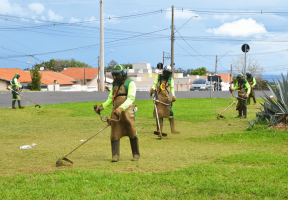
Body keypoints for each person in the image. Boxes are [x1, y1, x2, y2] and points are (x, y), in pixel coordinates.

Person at [95, 65, 139, 162]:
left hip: (127, 111)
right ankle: (115, 155)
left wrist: (122, 107)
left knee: (132, 131)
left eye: (117, 75)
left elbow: (131, 98)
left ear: (123, 73)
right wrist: (102, 107)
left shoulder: (130, 82)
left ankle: (136, 154)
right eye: (114, 75)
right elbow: (111, 98)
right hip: (116, 111)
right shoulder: (115, 83)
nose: (116, 77)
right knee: (114, 133)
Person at [150, 65, 179, 136]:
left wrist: (173, 95)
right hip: (159, 97)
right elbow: (154, 84)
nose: (168, 75)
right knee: (159, 114)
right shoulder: (159, 77)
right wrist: (153, 89)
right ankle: (159, 130)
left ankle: (173, 129)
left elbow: (172, 88)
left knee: (171, 112)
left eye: (169, 73)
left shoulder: (170, 79)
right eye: (167, 73)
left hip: (166, 98)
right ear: (164, 72)